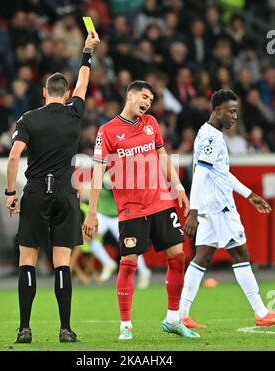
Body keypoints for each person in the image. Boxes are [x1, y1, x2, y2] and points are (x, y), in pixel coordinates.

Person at [83, 80, 200, 340]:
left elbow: (162, 156)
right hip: (132, 209)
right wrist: (91, 213)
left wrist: (178, 187)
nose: (147, 103)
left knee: (178, 256)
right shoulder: (108, 131)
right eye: (144, 97)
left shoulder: (152, 124)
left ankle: (173, 319)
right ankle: (125, 325)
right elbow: (96, 174)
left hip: (161, 202)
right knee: (128, 264)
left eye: (151, 100)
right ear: (131, 95)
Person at [6, 31, 100, 343]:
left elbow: (14, 155)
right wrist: (87, 50)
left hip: (35, 192)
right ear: (66, 92)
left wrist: (10, 193)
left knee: (27, 261)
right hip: (64, 192)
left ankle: (24, 329)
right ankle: (65, 329)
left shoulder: (29, 119)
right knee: (62, 261)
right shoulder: (75, 113)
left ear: (45, 93)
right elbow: (84, 80)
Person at [181, 89, 274, 328]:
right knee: (241, 254)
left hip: (210, 206)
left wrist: (249, 194)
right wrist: (193, 210)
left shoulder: (210, 133)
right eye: (231, 111)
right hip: (219, 207)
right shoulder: (211, 136)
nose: (234, 116)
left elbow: (221, 173)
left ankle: (181, 315)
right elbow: (200, 173)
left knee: (202, 257)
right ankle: (261, 312)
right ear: (217, 110)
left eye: (236, 111)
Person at [91, 171, 152, 288]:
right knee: (89, 237)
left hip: (117, 216)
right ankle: (108, 263)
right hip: (102, 214)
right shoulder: (99, 173)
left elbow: (110, 188)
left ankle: (144, 271)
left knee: (130, 245)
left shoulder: (120, 176)